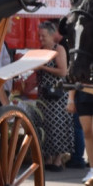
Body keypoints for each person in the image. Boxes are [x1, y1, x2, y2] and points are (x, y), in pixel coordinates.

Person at [34, 20, 74, 172]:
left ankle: (58, 160)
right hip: (43, 95)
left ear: (51, 35)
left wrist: (43, 66)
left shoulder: (59, 49)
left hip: (57, 96)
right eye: (39, 36)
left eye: (43, 36)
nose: (41, 39)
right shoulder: (40, 49)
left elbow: (63, 72)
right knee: (44, 125)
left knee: (58, 126)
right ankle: (48, 157)